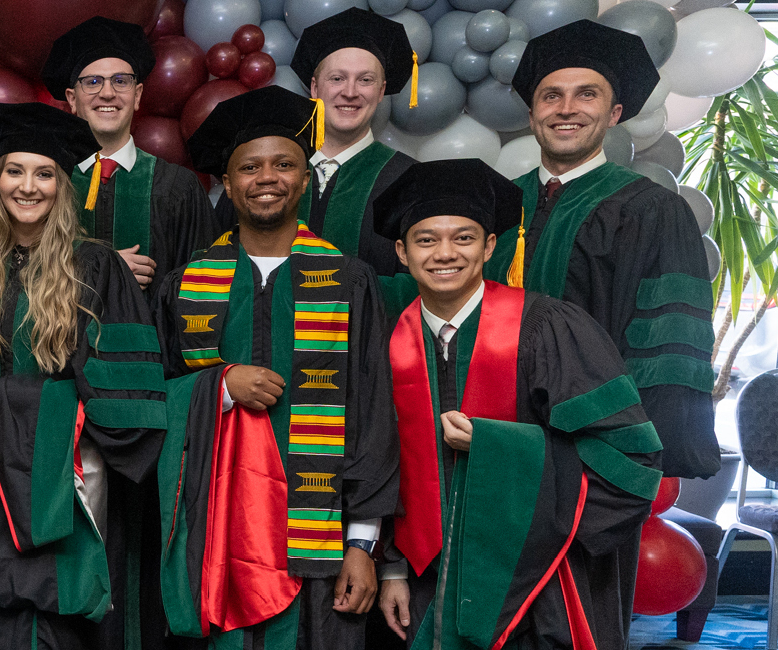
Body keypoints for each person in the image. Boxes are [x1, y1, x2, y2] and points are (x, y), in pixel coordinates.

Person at [0, 102, 167, 649]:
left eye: (44, 174)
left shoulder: (97, 269)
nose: (29, 186)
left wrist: (29, 411)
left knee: (63, 622)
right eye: (16, 172)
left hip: (70, 479)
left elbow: (129, 390)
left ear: (62, 187)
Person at [370, 158, 659, 649]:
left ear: (489, 246)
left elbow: (632, 461)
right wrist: (393, 569)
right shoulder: (385, 337)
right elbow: (380, 462)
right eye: (425, 239)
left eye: (463, 238)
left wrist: (498, 445)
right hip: (424, 582)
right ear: (401, 251)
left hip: (537, 581)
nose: (445, 253)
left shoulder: (549, 329)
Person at [152, 85, 398, 650]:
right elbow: (149, 398)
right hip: (214, 532)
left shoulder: (347, 281)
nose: (267, 178)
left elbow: (374, 415)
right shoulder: (186, 285)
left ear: (305, 179)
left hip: (320, 539)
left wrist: (362, 545)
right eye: (250, 167)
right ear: (228, 183)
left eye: (284, 164)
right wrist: (218, 387)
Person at [492, 20, 716, 479]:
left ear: (614, 113)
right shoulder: (495, 204)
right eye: (551, 95)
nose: (566, 109)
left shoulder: (654, 211)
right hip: (491, 438)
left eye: (587, 94)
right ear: (533, 113)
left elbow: (669, 349)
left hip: (597, 457)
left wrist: (630, 457)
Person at [43, 16, 221, 290]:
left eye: (120, 81)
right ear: (71, 99)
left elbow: (201, 289)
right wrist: (104, 269)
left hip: (152, 334)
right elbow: (19, 273)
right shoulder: (45, 184)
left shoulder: (177, 187)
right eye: (92, 82)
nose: (107, 93)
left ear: (137, 96)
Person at [288, 8, 420, 312]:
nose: (350, 92)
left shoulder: (409, 180)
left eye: (365, 80)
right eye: (337, 78)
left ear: (381, 90)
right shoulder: (274, 172)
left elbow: (421, 285)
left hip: (368, 353)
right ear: (315, 88)